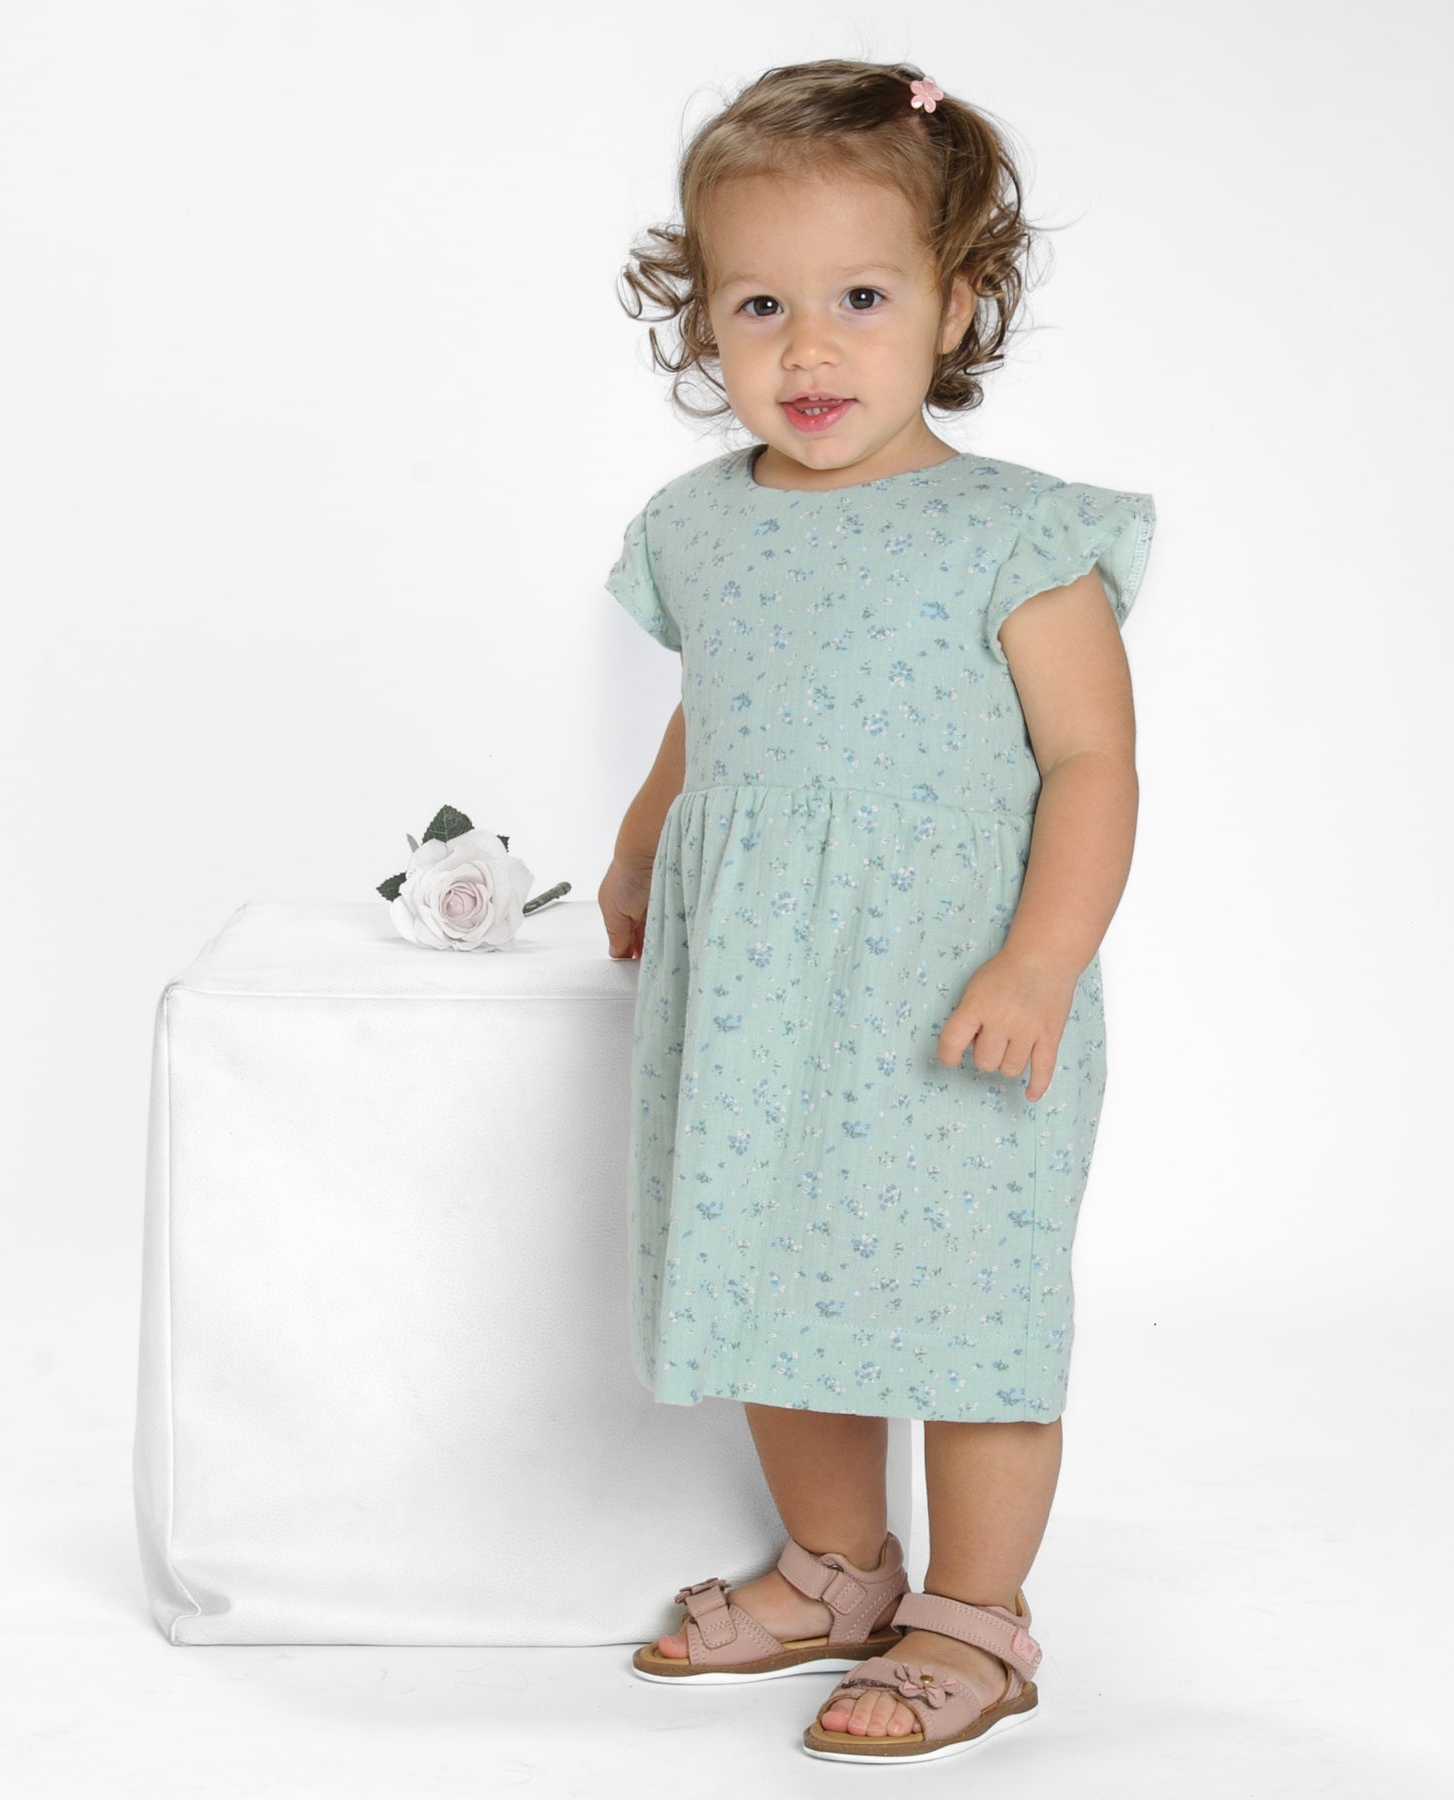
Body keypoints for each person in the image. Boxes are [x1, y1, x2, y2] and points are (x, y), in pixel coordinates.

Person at [596, 57, 1156, 1766]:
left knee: (968, 1304)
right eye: (759, 305)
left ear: (955, 303)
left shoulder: (1014, 535)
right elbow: (712, 713)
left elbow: (1091, 764)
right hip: (760, 996)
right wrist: (640, 845)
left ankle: (976, 1615)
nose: (808, 351)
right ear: (702, 317)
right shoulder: (700, 527)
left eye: (861, 298)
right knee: (774, 1269)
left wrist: (1041, 960)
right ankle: (837, 1568)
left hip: (952, 993)